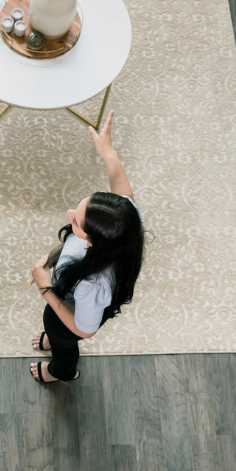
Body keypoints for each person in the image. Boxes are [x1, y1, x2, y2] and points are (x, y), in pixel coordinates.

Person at [30, 111, 145, 383]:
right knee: (54, 333)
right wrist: (109, 154)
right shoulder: (125, 220)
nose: (70, 213)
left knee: (63, 342)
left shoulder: (93, 285)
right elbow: (124, 195)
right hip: (68, 295)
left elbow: (85, 330)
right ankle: (51, 342)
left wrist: (45, 288)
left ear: (93, 242)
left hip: (69, 317)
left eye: (77, 222)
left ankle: (61, 372)